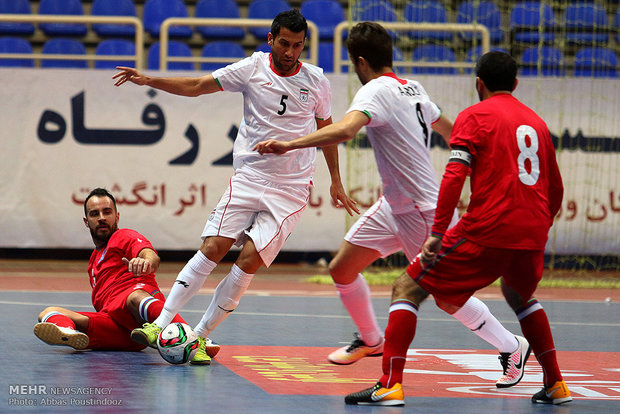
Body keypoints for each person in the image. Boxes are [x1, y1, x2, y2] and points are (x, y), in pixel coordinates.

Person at [255, 21, 529, 389]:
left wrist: (290, 144)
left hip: (423, 211)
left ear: (362, 61)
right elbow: (451, 131)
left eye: (353, 63)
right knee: (342, 268)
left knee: (448, 297)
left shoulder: (375, 91)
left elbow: (347, 130)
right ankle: (371, 339)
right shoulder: (412, 88)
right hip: (393, 206)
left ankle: (513, 346)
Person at [112, 9, 357, 365]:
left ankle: (198, 337)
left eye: (298, 46)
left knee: (248, 262)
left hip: (290, 190)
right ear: (271, 40)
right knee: (214, 247)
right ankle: (160, 323)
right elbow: (197, 87)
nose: (290, 52)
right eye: (284, 44)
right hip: (249, 176)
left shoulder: (317, 81)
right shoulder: (252, 68)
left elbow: (327, 131)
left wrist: (335, 179)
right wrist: (149, 80)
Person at [342, 51, 570, 406]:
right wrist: (540, 226)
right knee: (521, 297)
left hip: (487, 228)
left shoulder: (474, 116)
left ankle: (389, 384)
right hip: (532, 230)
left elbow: (453, 176)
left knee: (408, 287)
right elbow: (555, 187)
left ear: (479, 83)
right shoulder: (537, 122)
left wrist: (436, 232)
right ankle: (556, 383)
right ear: (515, 84)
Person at [33, 188, 204, 356]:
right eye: (94, 214)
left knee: (136, 297)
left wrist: (145, 262)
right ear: (86, 221)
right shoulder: (92, 263)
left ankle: (193, 340)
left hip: (140, 316)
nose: (101, 218)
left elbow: (149, 254)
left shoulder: (124, 236)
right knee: (48, 313)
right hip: (119, 327)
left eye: (107, 212)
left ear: (117, 216)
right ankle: (68, 332)